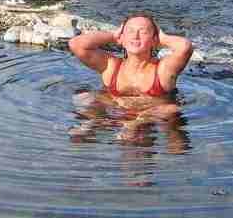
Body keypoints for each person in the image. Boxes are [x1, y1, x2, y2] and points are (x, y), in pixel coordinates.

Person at [68, 13, 194, 142]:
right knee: (86, 97)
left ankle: (133, 125)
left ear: (154, 40)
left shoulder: (163, 70)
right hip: (115, 112)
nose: (135, 36)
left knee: (171, 109)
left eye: (143, 32)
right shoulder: (111, 66)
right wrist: (113, 36)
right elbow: (76, 44)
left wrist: (163, 37)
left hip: (152, 117)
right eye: (130, 31)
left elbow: (185, 47)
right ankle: (94, 122)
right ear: (122, 38)